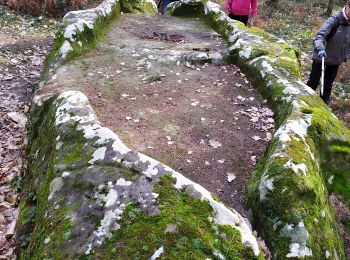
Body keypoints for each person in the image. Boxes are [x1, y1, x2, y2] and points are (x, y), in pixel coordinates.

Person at [307, 1, 350, 105]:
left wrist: (345, 56)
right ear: (347, 6)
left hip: (335, 60)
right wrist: (320, 48)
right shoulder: (334, 20)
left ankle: (324, 104)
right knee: (313, 82)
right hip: (321, 57)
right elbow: (319, 36)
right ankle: (305, 101)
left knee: (328, 85)